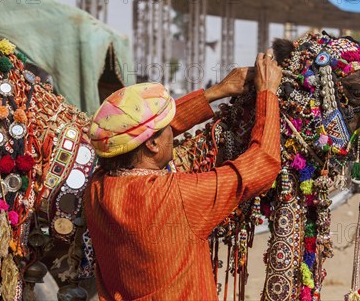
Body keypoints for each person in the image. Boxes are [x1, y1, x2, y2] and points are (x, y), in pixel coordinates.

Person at [84, 51, 283, 300]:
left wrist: (217, 91)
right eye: (167, 127)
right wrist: (268, 92)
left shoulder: (98, 187)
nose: (172, 130)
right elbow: (263, 164)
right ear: (153, 145)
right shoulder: (178, 196)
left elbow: (143, 135)